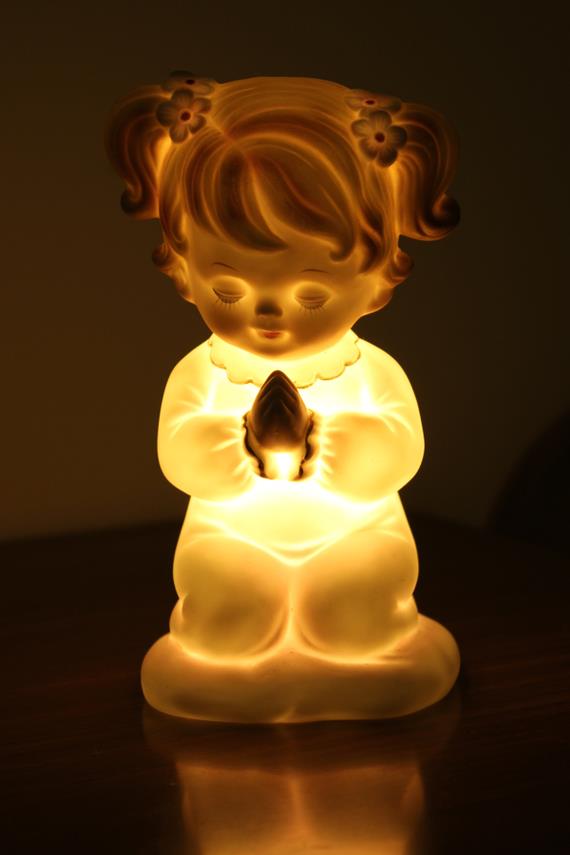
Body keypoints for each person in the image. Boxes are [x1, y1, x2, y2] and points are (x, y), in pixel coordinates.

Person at [106, 72, 461, 722]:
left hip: (353, 535)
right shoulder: (203, 371)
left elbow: (401, 446)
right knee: (227, 621)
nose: (268, 314)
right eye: (230, 290)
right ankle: (236, 655)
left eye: (312, 295)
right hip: (233, 537)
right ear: (184, 270)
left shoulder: (369, 370)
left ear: (376, 280)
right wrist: (225, 450)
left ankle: (358, 651)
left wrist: (349, 450)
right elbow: (179, 451)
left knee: (357, 616)